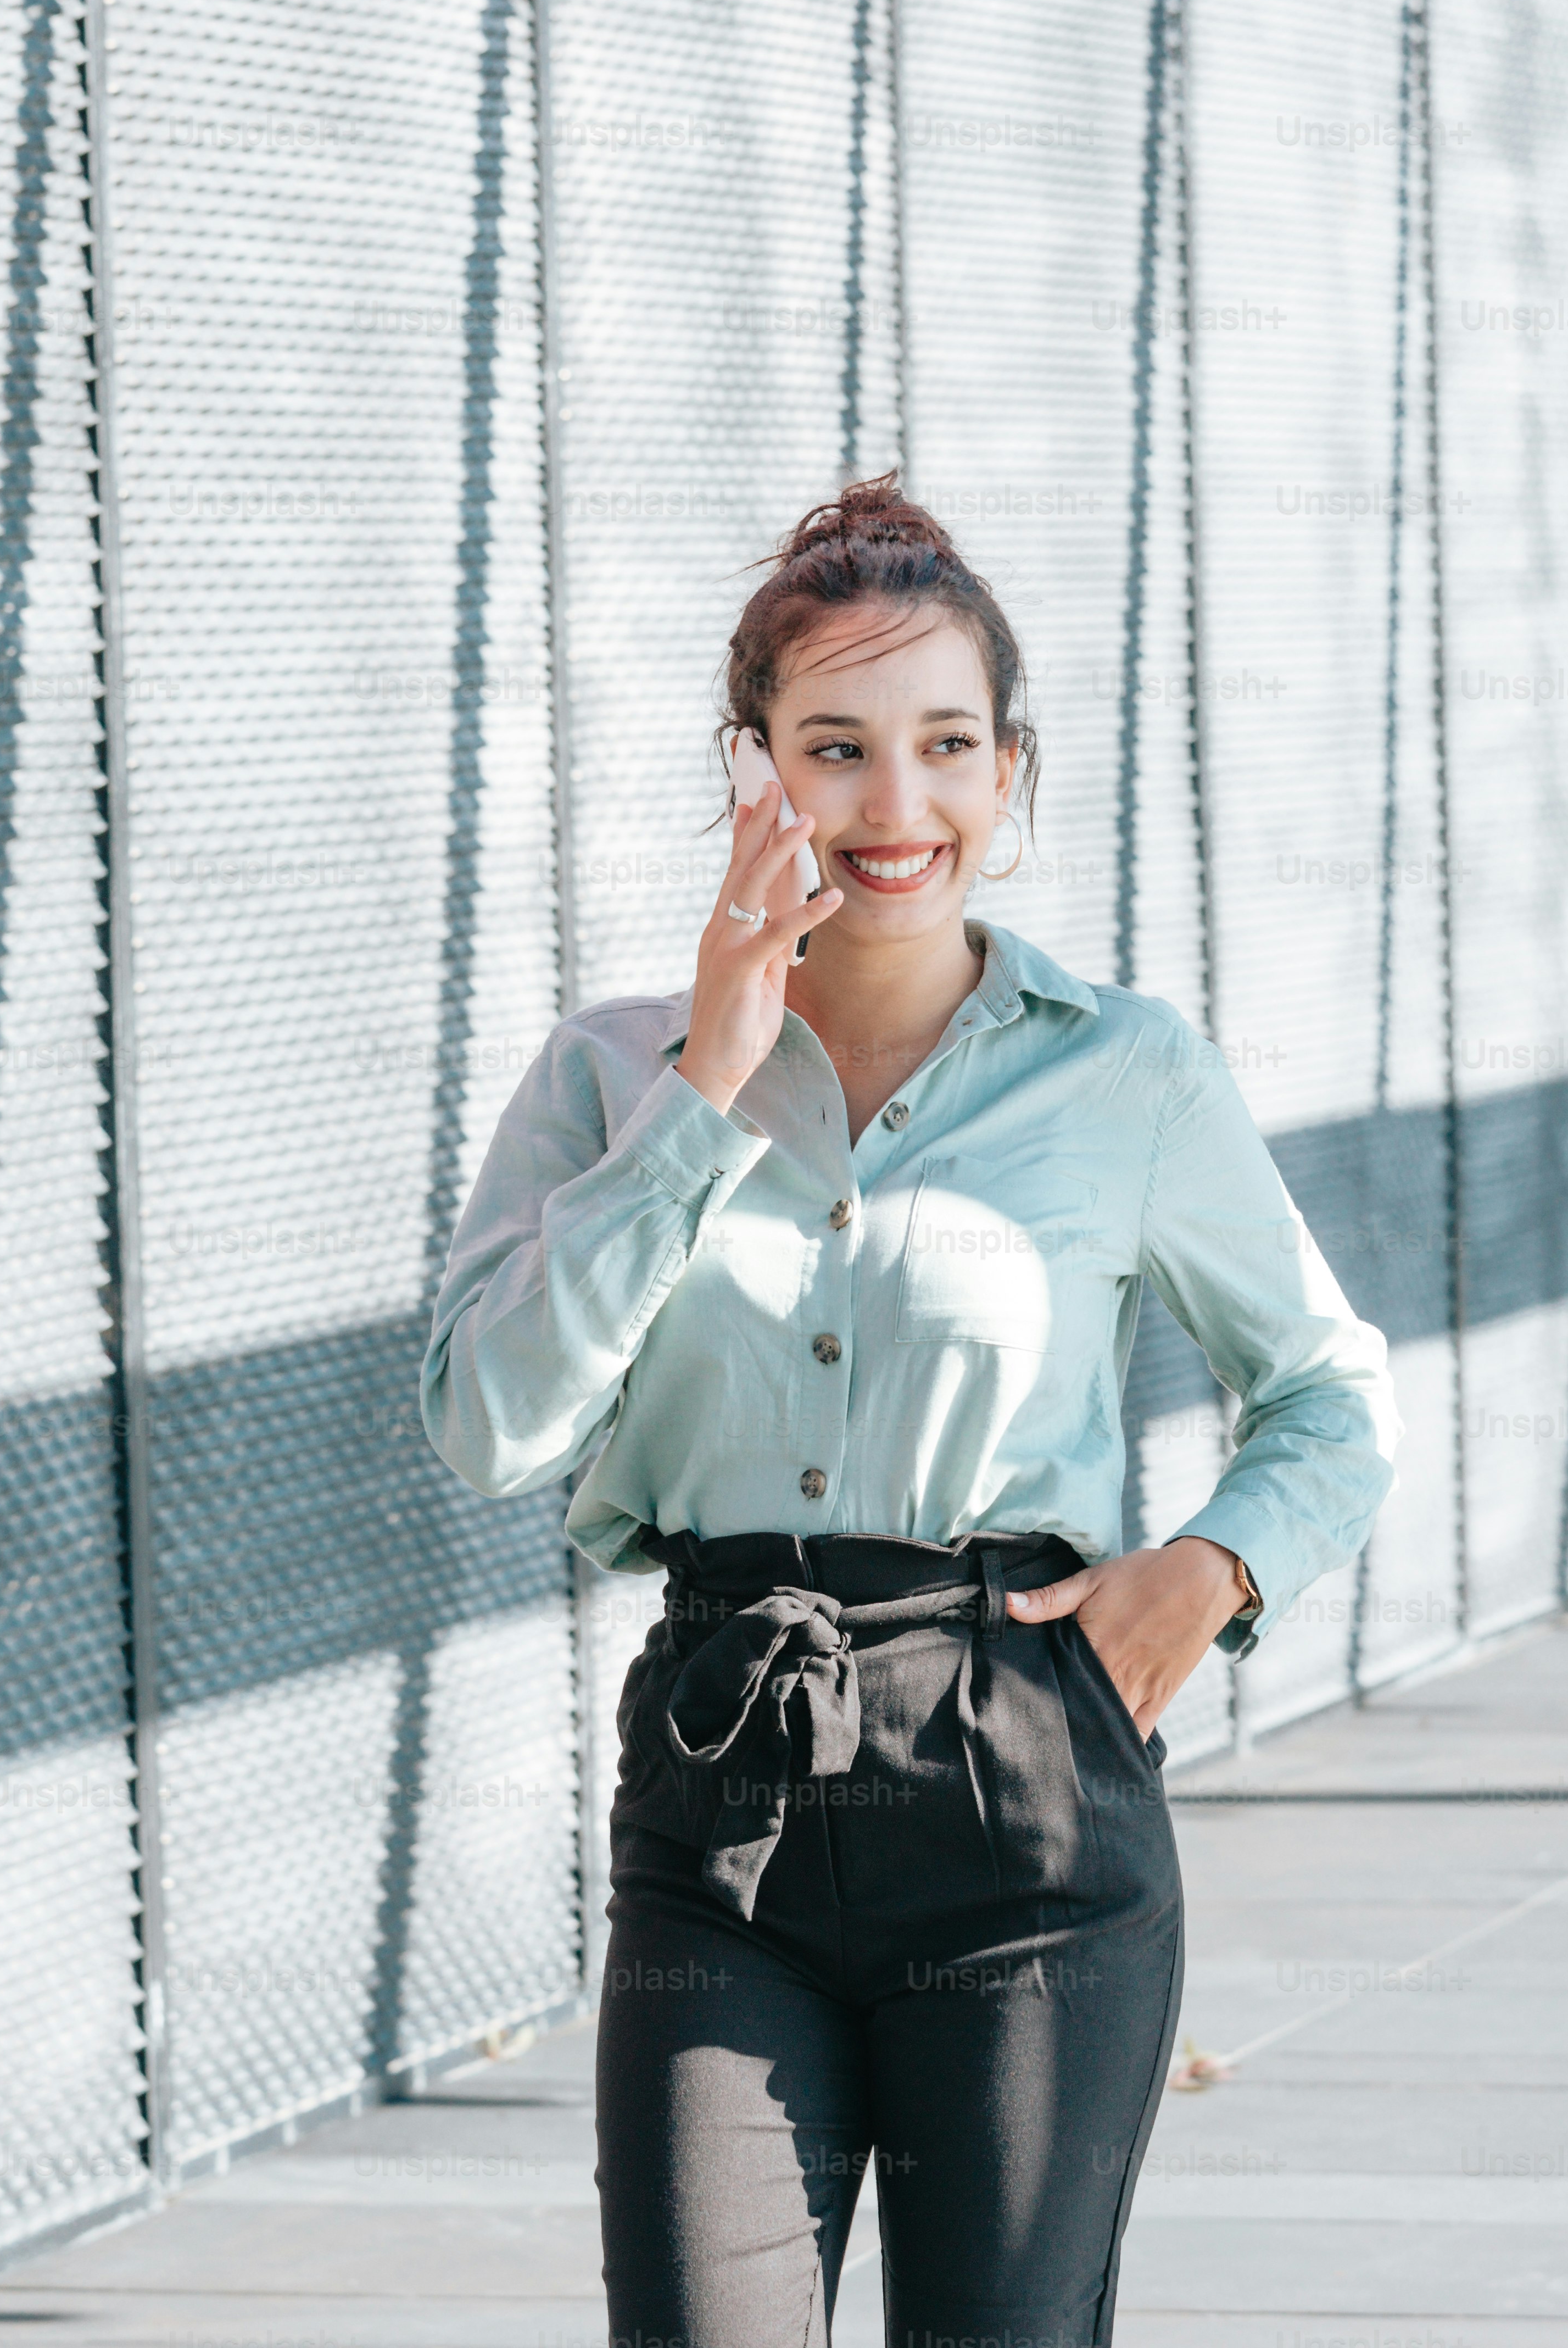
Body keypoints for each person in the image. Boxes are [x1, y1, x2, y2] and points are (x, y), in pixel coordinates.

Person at [421, 475, 1397, 2348]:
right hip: (724, 1805)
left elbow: (1329, 1396)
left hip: (1023, 1782)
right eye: (837, 748)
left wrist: (1206, 1573)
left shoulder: (1127, 1073)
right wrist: (703, 1093)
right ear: (756, 769)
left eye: (946, 746)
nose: (895, 807)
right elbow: (491, 1422)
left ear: (1007, 773)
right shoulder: (609, 1072)